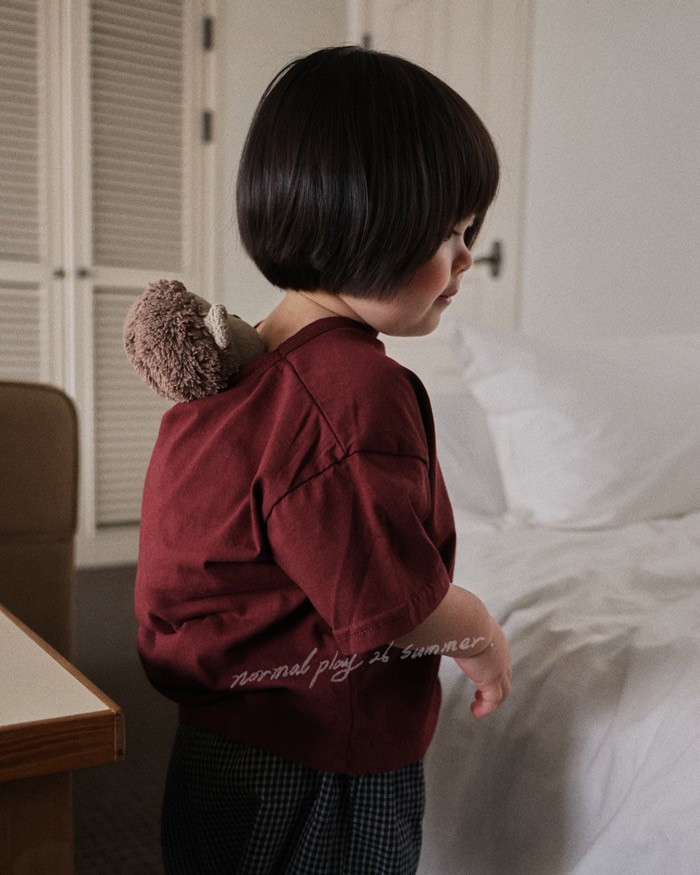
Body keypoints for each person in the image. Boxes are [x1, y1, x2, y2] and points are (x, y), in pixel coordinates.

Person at [135, 45, 512, 875]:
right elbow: (390, 599)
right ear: (363, 220)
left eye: (470, 233)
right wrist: (478, 631)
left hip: (224, 744)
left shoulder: (241, 373)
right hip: (323, 761)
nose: (465, 259)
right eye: (449, 232)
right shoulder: (351, 391)